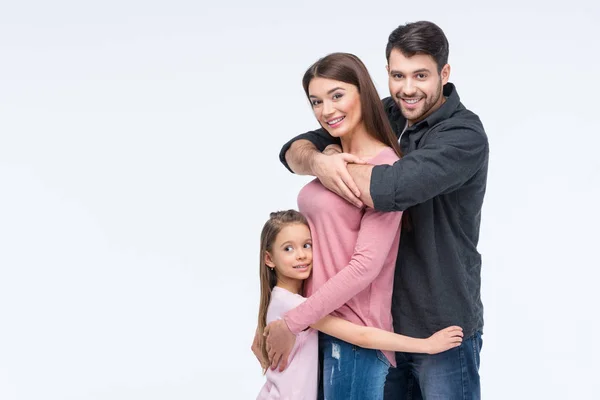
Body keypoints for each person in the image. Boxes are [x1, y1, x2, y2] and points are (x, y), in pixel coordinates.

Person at [276, 21, 489, 400]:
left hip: (437, 321)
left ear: (444, 73)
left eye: (420, 75)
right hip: (378, 327)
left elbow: (391, 188)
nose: (407, 88)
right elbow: (294, 150)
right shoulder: (387, 114)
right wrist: (319, 160)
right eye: (397, 75)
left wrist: (335, 160)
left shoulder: (462, 136)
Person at [256, 210, 463, 400]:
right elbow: (361, 336)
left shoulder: (284, 299)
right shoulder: (294, 305)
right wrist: (426, 345)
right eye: (288, 248)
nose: (301, 254)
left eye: (306, 245)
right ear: (269, 258)